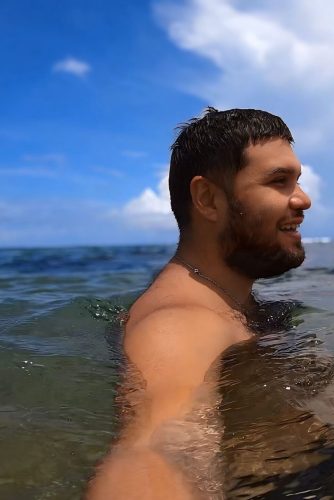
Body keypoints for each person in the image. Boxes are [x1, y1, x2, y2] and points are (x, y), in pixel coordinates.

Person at [87, 107, 312, 499]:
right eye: (280, 181)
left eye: (297, 181)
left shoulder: (225, 303)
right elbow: (156, 449)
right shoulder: (177, 323)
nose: (304, 200)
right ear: (207, 198)